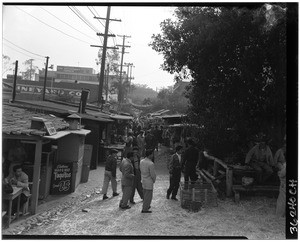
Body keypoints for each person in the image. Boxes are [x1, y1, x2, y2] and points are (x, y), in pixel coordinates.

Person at [140, 149, 156, 213]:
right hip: (149, 181)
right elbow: (153, 174)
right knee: (148, 196)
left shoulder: (141, 161)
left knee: (145, 195)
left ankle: (146, 206)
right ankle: (145, 208)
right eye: (152, 154)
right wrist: (154, 180)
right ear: (150, 155)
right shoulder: (151, 164)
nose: (152, 155)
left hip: (143, 180)